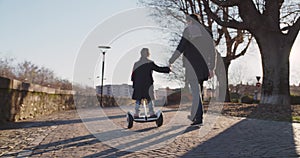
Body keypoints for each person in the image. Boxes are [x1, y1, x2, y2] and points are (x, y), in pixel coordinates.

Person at [168, 14, 216, 126]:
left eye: (187, 21)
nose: (187, 23)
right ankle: (194, 115)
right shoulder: (207, 31)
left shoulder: (188, 30)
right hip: (203, 66)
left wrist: (171, 61)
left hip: (192, 66)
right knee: (197, 91)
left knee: (195, 92)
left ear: (190, 21)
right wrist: (211, 67)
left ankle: (198, 117)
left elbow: (181, 46)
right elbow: (212, 51)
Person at [131, 48, 171, 118]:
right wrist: (167, 69)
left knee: (138, 99)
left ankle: (136, 114)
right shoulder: (150, 63)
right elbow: (158, 69)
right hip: (148, 84)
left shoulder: (136, 64)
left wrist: (134, 85)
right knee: (149, 99)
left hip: (138, 85)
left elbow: (133, 75)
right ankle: (152, 113)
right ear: (148, 54)